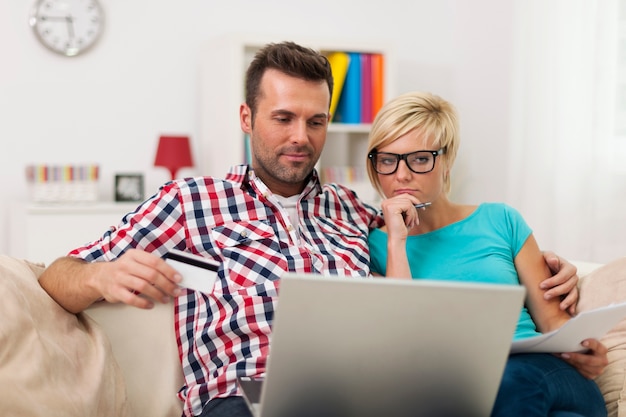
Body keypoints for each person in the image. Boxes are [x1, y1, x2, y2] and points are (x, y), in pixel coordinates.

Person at [39, 42, 580, 417]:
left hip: (358, 398)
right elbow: (55, 276)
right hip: (242, 398)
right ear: (248, 119)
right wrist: (101, 277)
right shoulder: (191, 201)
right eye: (283, 118)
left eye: (316, 121)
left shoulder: (354, 212)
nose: (301, 136)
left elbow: (437, 241)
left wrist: (546, 266)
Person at [365, 91, 608, 417]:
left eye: (420, 159)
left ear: (447, 160)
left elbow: (553, 321)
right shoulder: (375, 248)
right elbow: (402, 339)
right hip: (461, 388)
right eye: (387, 160)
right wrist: (397, 240)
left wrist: (583, 351)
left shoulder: (500, 219)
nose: (402, 174)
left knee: (508, 383)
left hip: (540, 370)